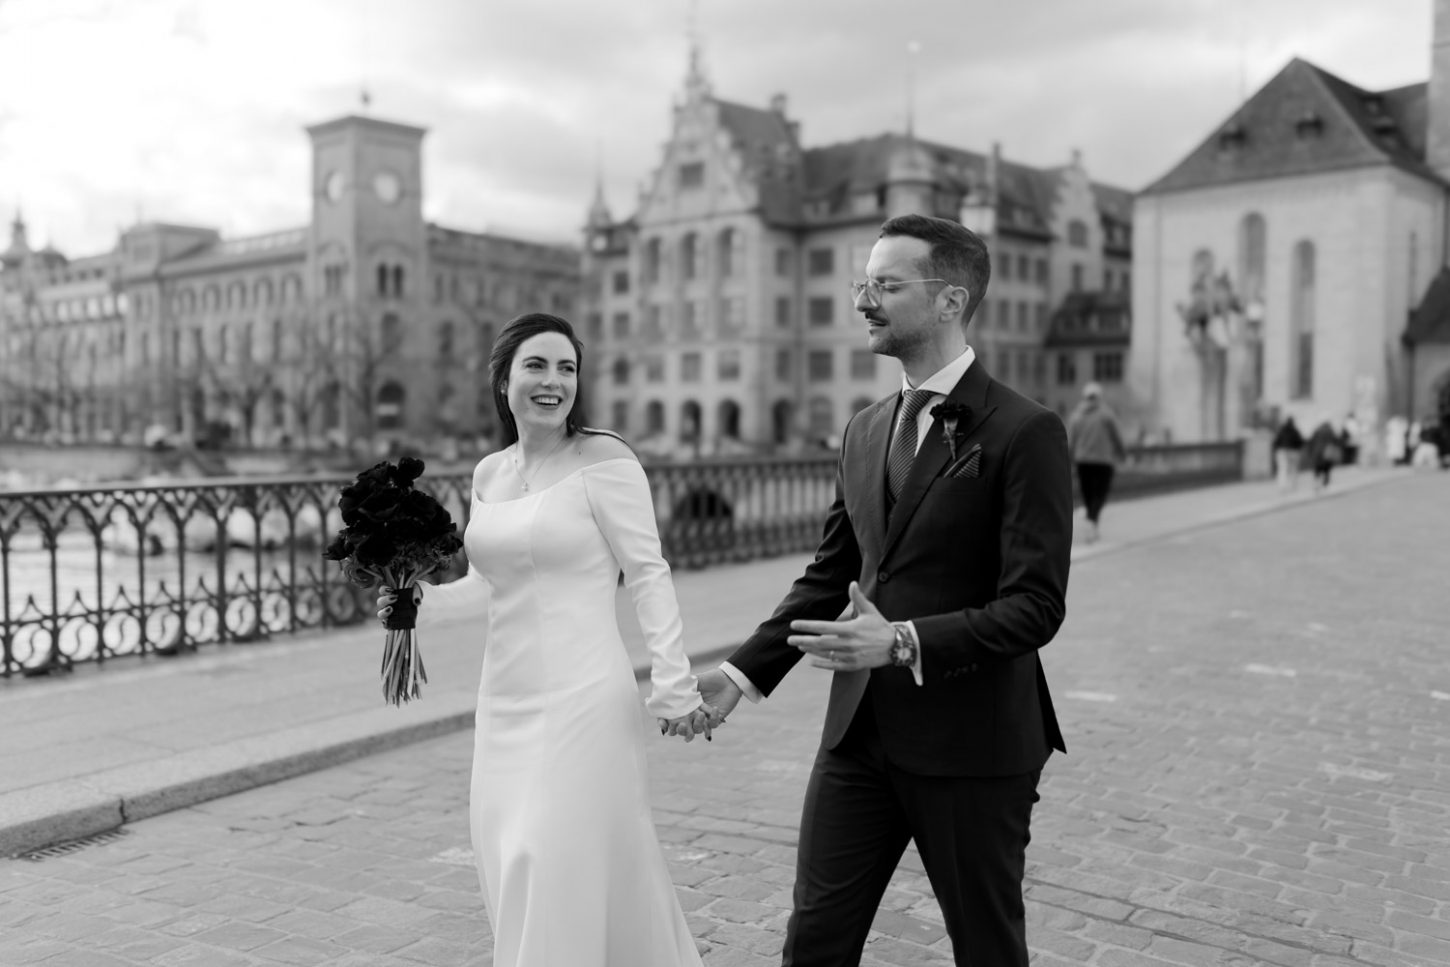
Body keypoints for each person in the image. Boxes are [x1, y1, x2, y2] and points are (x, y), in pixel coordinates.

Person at [697, 214, 1072, 967]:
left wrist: (902, 640)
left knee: (987, 947)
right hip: (858, 738)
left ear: (949, 301)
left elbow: (1035, 606)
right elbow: (832, 573)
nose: (863, 300)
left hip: (974, 744)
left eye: (885, 285)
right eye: (861, 283)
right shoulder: (865, 427)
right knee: (814, 941)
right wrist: (742, 672)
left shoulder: (1026, 431)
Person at [377, 312, 718, 966]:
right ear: (503, 379)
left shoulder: (606, 459)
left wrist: (673, 686)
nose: (553, 380)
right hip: (504, 699)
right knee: (507, 851)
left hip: (583, 697)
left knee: (550, 856)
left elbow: (648, 573)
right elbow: (489, 584)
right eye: (537, 365)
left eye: (567, 367)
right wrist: (412, 600)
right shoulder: (489, 473)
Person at [1067, 381, 1128, 541]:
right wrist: (1122, 453)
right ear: (1099, 397)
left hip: (1082, 461)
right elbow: (1116, 436)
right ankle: (1092, 521)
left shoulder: (1076, 415)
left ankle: (1090, 520)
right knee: (1100, 493)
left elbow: (1071, 441)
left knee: (1087, 493)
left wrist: (1069, 459)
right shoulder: (1106, 414)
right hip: (1103, 460)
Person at [1305, 415, 1342, 491]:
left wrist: (1310, 452)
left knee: (1317, 469)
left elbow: (1311, 442)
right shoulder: (1330, 430)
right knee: (1326, 470)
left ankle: (1316, 484)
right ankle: (1325, 485)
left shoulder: (1317, 430)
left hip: (1317, 453)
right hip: (1327, 454)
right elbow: (1336, 441)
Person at [1271, 414, 1305, 492]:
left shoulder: (1281, 430)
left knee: (1283, 469)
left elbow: (1276, 442)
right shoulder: (1295, 430)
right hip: (1293, 452)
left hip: (1282, 451)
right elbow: (1300, 441)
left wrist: (1276, 449)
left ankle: (1282, 486)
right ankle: (1293, 486)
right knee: (1293, 469)